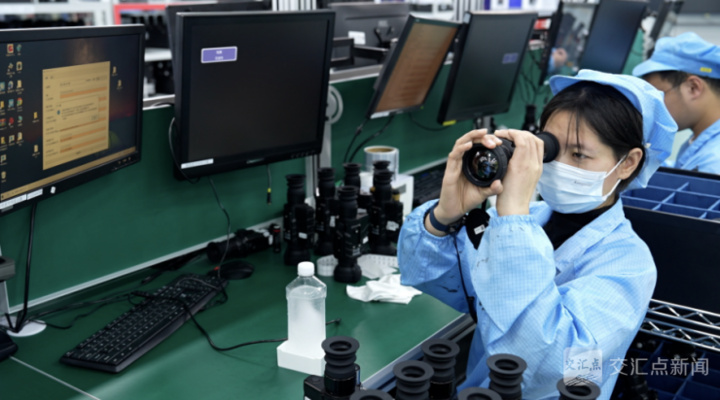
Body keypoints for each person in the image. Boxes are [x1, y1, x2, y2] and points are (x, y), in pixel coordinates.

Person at [398, 70, 676, 400]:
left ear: (628, 162)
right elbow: (434, 277)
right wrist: (444, 215)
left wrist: (513, 217)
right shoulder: (521, 220)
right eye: (551, 149)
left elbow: (550, 368)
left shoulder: (630, 265)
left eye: (579, 155)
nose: (559, 165)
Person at [633, 32, 720, 174]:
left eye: (658, 96)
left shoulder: (714, 163)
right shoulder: (701, 142)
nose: (650, 107)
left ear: (693, 88)